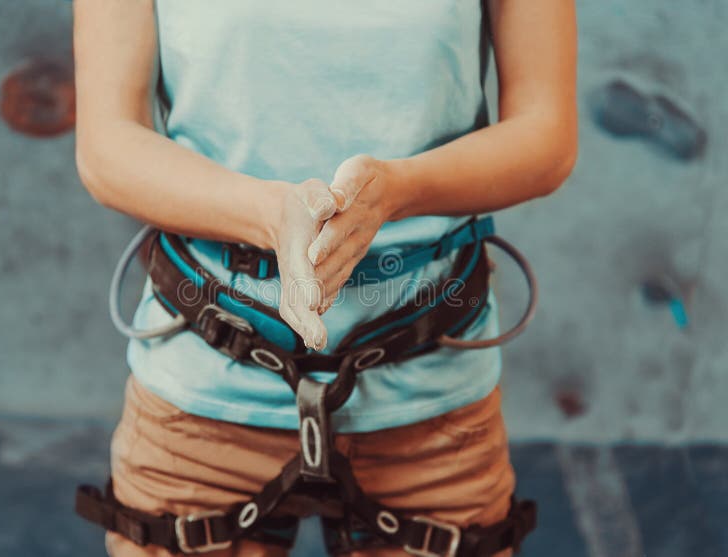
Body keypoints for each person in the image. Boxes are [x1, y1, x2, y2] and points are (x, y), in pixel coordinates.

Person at [73, 1, 577, 555]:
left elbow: (546, 135)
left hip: (432, 399)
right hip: (202, 387)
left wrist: (399, 190)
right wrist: (267, 212)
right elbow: (108, 147)